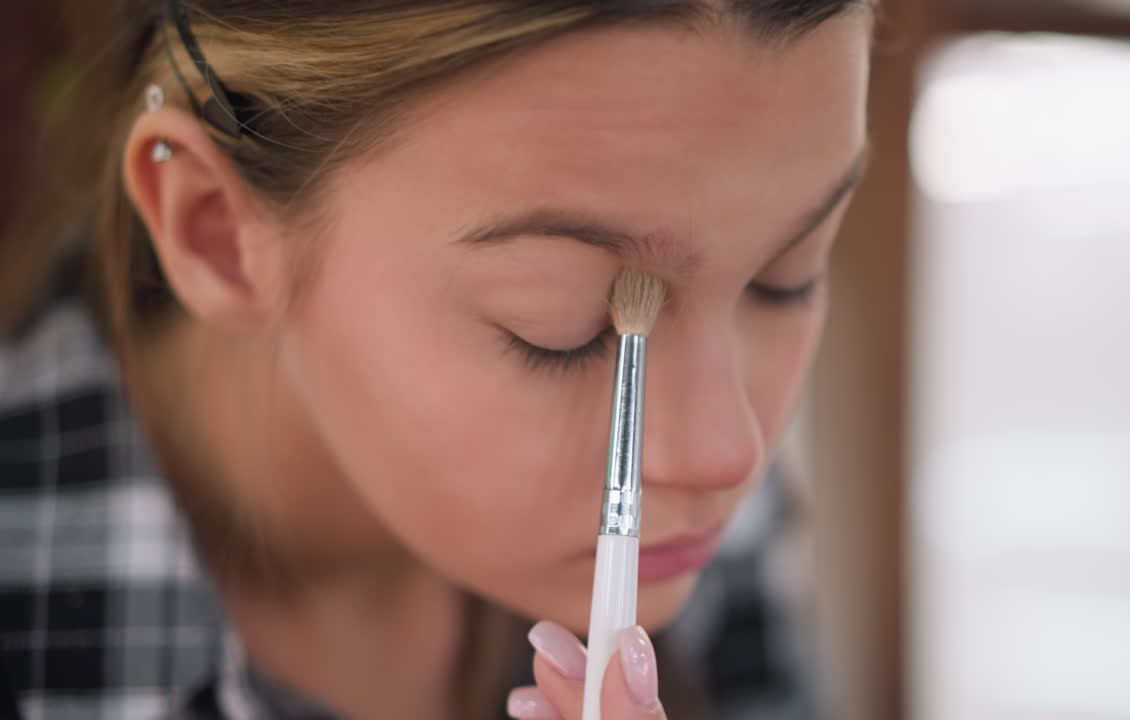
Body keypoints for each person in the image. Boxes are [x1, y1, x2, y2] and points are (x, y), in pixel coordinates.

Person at [0, 0, 874, 718]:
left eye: (785, 277)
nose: (731, 455)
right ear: (218, 233)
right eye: (564, 328)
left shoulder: (697, 533)